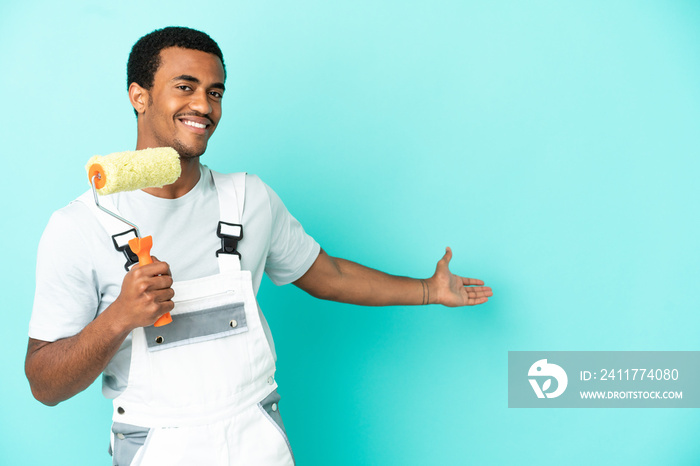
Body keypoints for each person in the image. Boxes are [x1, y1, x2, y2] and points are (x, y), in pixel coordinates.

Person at [25, 26, 492, 465]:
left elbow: (328, 275)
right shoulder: (79, 226)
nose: (204, 106)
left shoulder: (248, 199)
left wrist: (429, 290)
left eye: (215, 92)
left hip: (255, 434)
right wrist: (119, 317)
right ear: (139, 96)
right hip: (157, 444)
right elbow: (44, 383)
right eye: (185, 87)